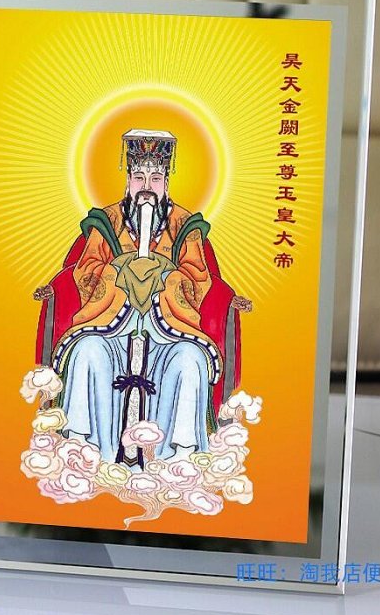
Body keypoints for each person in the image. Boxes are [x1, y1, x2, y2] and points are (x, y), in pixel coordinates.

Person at [34, 129, 250, 467]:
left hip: (169, 328)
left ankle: (177, 455)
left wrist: (164, 274)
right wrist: (120, 269)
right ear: (128, 180)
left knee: (191, 359)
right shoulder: (106, 222)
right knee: (86, 351)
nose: (147, 186)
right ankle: (87, 447)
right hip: (111, 325)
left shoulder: (185, 227)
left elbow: (199, 279)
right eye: (139, 177)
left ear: (166, 182)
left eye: (155, 178)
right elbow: (85, 272)